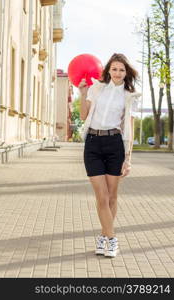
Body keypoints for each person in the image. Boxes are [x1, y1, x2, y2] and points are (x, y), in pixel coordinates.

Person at [78, 53, 141, 258]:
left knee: (112, 196)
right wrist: (82, 92)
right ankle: (112, 239)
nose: (118, 73)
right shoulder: (96, 89)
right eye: (114, 69)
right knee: (102, 196)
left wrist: (128, 158)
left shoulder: (130, 95)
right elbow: (84, 116)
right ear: (108, 70)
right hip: (93, 144)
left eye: (122, 70)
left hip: (115, 144)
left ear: (126, 73)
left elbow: (129, 128)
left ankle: (104, 237)